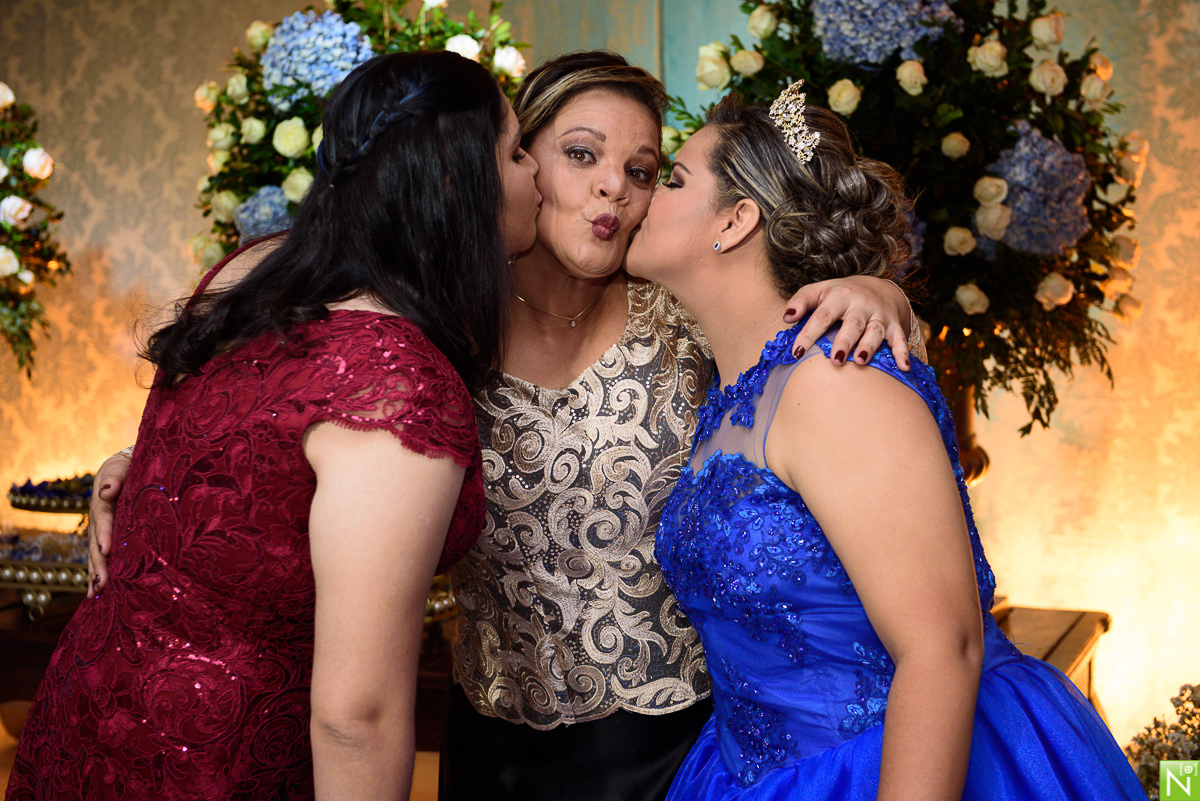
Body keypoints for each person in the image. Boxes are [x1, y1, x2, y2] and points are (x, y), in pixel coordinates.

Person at [87, 53, 920, 801]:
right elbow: (288, 403)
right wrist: (143, 460)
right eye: (579, 154)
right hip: (487, 736)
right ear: (510, 167)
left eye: (643, 170)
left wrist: (877, 289)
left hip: (669, 743)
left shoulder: (685, 318)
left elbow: (807, 369)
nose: (613, 188)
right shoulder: (439, 323)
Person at [7, 51, 539, 801]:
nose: (536, 171)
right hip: (215, 765)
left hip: (87, 712)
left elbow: (245, 452)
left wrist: (135, 463)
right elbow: (357, 716)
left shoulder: (252, 267)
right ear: (455, 183)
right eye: (516, 153)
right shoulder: (395, 380)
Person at [624, 86, 1146, 800]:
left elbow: (942, 648)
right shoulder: (731, 394)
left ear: (736, 219)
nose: (645, 194)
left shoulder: (836, 382)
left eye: (673, 179)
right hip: (750, 771)